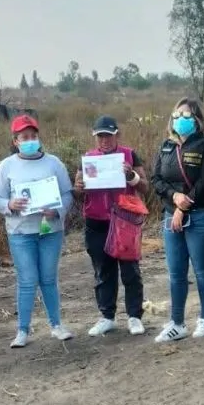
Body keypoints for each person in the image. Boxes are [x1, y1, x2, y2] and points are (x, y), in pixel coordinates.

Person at [0, 115, 75, 348]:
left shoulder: (54, 163)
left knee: (48, 278)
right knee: (27, 280)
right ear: (15, 140)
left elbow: (68, 194)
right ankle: (23, 330)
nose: (30, 140)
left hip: (50, 230)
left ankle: (56, 325)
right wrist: (10, 205)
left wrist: (57, 210)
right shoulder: (6, 166)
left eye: (33, 136)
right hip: (20, 231)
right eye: (24, 137)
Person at [151, 98, 204, 342]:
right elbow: (157, 179)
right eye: (177, 114)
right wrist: (174, 196)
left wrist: (184, 205)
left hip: (200, 215)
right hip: (171, 215)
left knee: (202, 269)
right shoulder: (166, 146)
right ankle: (177, 322)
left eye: (187, 115)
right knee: (176, 273)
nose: (181, 119)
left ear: (198, 119)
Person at [73, 116, 148, 337]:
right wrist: (79, 187)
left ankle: (134, 316)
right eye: (100, 136)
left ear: (117, 135)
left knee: (130, 271)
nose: (104, 140)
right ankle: (107, 316)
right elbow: (77, 192)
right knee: (103, 272)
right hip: (97, 222)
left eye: (108, 135)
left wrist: (131, 176)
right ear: (95, 137)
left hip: (124, 221)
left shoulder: (129, 155)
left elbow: (144, 186)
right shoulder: (88, 159)